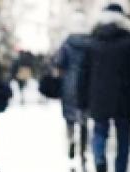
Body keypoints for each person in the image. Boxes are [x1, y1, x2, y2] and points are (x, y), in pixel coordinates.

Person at [77, 3, 130, 172]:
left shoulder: (91, 42)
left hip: (98, 97)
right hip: (123, 96)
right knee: (124, 139)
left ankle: (100, 159)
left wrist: (81, 103)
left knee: (99, 132)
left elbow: (82, 74)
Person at [53, 11, 91, 163]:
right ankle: (82, 151)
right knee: (84, 119)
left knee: (69, 118)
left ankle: (71, 140)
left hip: (68, 84)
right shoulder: (90, 43)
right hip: (86, 85)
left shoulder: (66, 43)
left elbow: (58, 63)